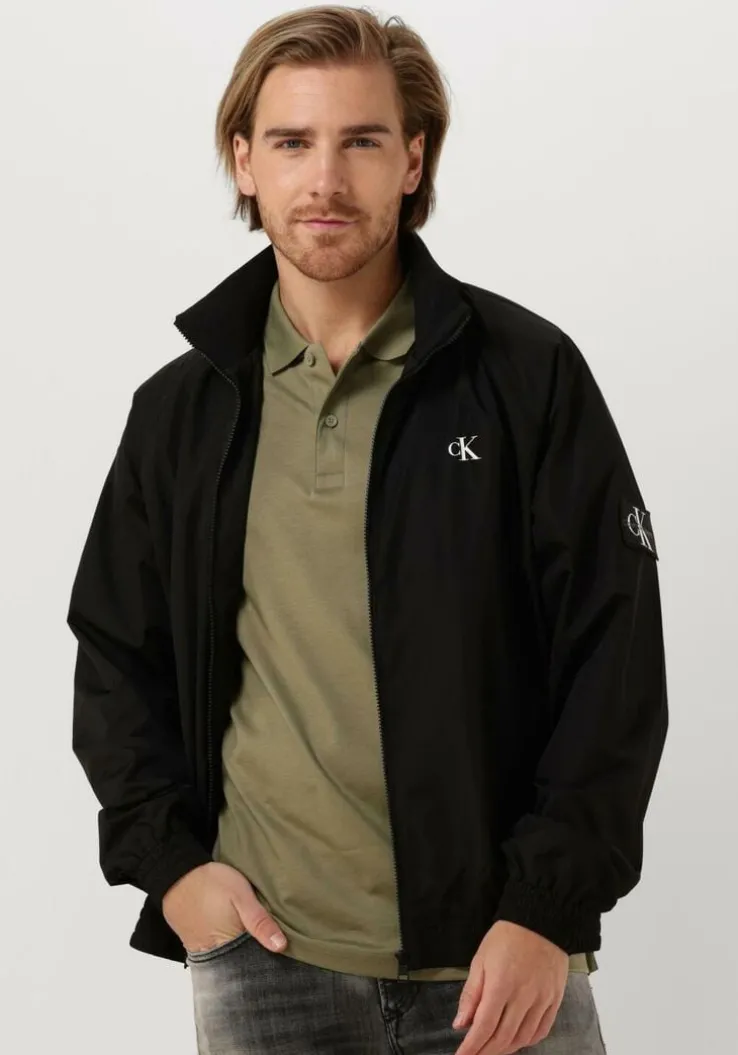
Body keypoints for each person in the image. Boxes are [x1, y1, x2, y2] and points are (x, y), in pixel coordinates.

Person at [67, 6, 668, 1053]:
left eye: (361, 140)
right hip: (265, 960)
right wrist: (171, 868)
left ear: (412, 159)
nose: (326, 179)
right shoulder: (184, 409)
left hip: (500, 963)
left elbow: (613, 659)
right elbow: (117, 656)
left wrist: (547, 909)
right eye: (292, 142)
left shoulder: (528, 378)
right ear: (244, 162)